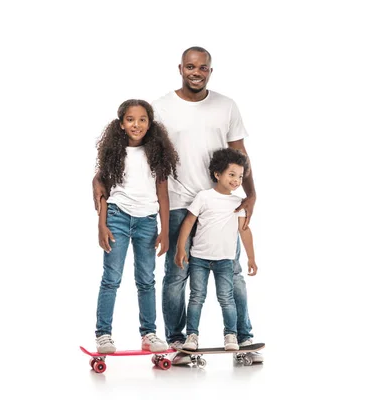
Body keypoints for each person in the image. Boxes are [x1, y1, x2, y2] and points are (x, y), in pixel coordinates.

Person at [92, 46, 263, 364]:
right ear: (180, 68)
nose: (196, 72)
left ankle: (243, 336)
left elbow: (240, 154)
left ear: (210, 70)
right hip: (178, 202)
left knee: (232, 269)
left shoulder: (227, 106)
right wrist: (101, 189)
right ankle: (177, 340)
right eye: (189, 66)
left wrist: (251, 195)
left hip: (221, 203)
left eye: (202, 67)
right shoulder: (161, 107)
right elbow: (139, 154)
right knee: (175, 273)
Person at [92, 99, 179, 354]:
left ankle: (149, 334)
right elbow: (104, 193)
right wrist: (101, 224)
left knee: (146, 280)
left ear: (150, 124)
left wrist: (164, 230)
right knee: (111, 278)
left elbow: (163, 195)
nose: (136, 124)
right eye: (130, 119)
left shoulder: (156, 154)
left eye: (142, 119)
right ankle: (103, 334)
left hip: (147, 222)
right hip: (117, 217)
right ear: (121, 124)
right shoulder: (113, 153)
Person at [174, 148, 257, 351]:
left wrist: (251, 258)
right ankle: (192, 336)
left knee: (226, 299)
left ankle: (231, 335)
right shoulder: (204, 197)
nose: (236, 180)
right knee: (196, 297)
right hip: (199, 259)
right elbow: (188, 222)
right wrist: (180, 249)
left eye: (239, 176)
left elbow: (244, 231)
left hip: (225, 261)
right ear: (217, 174)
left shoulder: (238, 203)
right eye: (231, 175)